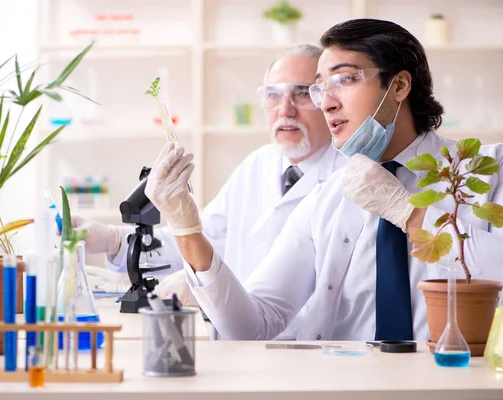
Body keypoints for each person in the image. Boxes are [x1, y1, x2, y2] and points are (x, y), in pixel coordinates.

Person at [144, 19, 503, 341]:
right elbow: (252, 325)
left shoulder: (489, 169)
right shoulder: (326, 199)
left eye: (345, 80)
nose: (326, 103)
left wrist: (409, 216)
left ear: (399, 85)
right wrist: (185, 227)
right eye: (320, 88)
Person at [73, 45, 346, 318]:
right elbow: (203, 240)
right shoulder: (256, 164)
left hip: (309, 343)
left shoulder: (348, 177)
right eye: (273, 95)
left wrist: (208, 290)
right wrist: (114, 241)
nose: (285, 110)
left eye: (301, 93)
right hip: (241, 334)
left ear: (327, 99)